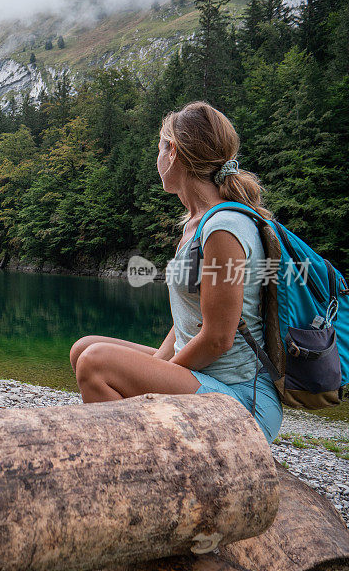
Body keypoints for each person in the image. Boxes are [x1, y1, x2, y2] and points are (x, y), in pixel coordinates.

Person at [69, 101, 282, 444]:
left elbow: (218, 338)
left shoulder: (224, 228)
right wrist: (155, 366)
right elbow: (188, 321)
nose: (156, 159)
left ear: (174, 152)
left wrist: (159, 377)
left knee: (95, 363)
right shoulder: (195, 226)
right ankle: (144, 442)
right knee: (84, 348)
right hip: (206, 383)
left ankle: (142, 461)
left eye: (159, 147)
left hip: (242, 403)